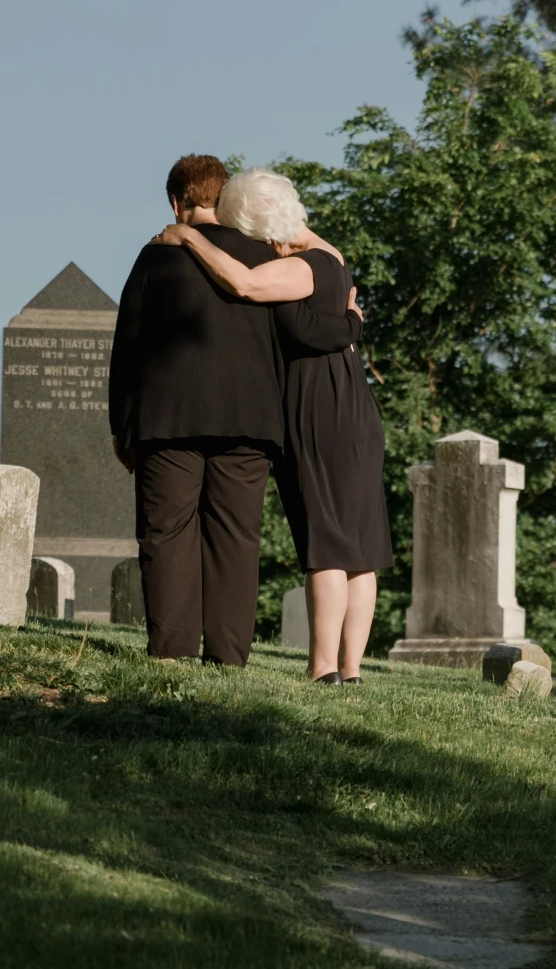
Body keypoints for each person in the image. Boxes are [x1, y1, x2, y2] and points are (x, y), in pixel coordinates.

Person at [157, 167, 392, 683]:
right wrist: (351, 323)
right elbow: (322, 277)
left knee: (327, 541)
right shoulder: (330, 259)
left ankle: (323, 668)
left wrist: (190, 236)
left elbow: (242, 284)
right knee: (360, 548)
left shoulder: (300, 270)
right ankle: (351, 670)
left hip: (317, 406)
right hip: (351, 403)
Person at [107, 153, 286, 665]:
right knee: (236, 537)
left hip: (167, 419)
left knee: (167, 533)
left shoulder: (156, 256)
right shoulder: (260, 256)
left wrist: (123, 427)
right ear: (224, 197)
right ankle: (229, 657)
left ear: (174, 201)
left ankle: (172, 649)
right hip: (249, 419)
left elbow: (128, 346)